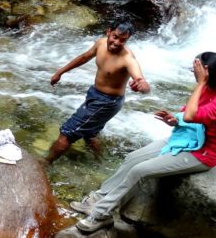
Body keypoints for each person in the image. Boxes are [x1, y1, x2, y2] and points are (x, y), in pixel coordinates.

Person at [72, 52, 216, 233]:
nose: (193, 71)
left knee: (140, 171)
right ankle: (98, 198)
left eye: (196, 68)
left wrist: (200, 84)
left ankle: (101, 214)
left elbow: (191, 115)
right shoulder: (207, 88)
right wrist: (175, 120)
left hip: (203, 152)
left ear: (205, 72)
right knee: (132, 158)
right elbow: (187, 116)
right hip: (185, 138)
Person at [46, 21, 151, 163]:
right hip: (94, 93)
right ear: (108, 32)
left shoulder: (128, 59)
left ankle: (45, 163)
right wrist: (60, 72)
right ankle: (99, 161)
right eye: (115, 36)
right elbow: (84, 57)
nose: (116, 42)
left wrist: (141, 85)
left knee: (67, 133)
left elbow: (142, 82)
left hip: (107, 102)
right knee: (89, 133)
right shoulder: (101, 43)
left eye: (122, 40)